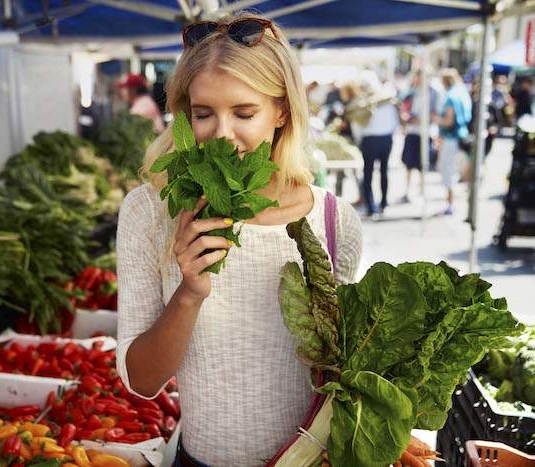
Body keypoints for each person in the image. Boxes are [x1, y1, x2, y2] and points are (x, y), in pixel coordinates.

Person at [115, 12, 363, 467]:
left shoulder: (333, 220)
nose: (223, 134)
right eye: (203, 113)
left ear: (282, 109)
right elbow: (142, 381)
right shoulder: (150, 212)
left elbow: (340, 367)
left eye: (244, 112)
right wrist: (190, 292)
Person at [356, 77, 399, 218]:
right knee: (384, 171)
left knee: (368, 173)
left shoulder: (364, 102)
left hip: (370, 140)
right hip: (385, 139)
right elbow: (394, 123)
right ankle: (383, 203)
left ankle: (371, 206)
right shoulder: (388, 101)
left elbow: (359, 125)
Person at [399, 71, 442, 203]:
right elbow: (404, 109)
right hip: (412, 132)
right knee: (409, 164)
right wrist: (406, 119)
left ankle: (422, 192)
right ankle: (408, 191)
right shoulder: (412, 92)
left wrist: (421, 120)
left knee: (423, 164)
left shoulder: (434, 93)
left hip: (425, 133)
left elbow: (436, 114)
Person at [434, 68, 472, 216]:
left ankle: (451, 203)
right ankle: (453, 202)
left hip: (451, 139)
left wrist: (435, 118)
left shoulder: (451, 96)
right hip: (460, 136)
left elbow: (449, 120)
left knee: (448, 171)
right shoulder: (462, 93)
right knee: (455, 170)